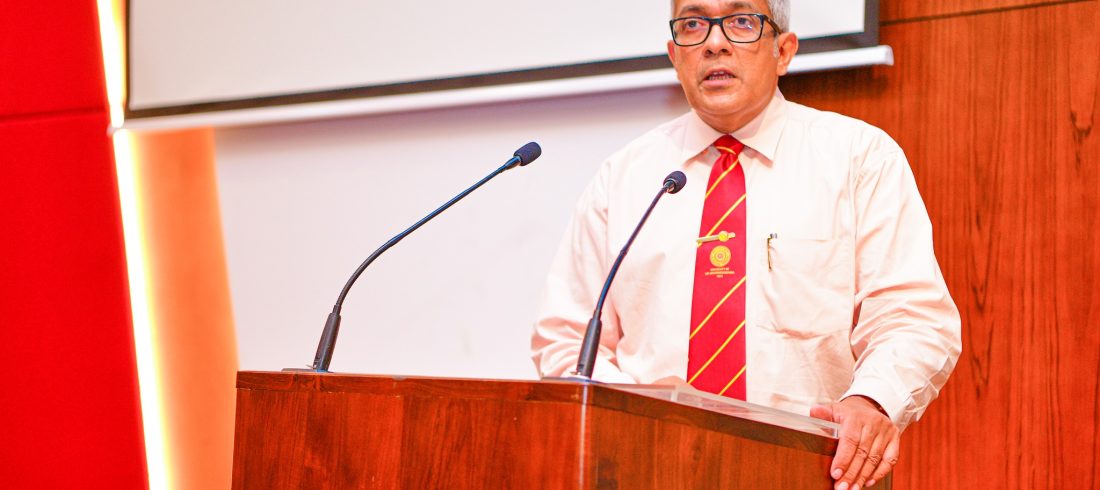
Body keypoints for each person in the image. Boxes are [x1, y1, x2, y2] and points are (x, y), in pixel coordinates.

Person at [530, 0, 962, 489]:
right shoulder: (625, 176)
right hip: (648, 466)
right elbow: (566, 338)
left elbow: (913, 316)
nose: (714, 43)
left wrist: (872, 400)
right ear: (674, 54)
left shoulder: (858, 158)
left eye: (740, 21)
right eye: (693, 24)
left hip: (811, 470)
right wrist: (640, 408)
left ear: (784, 51)